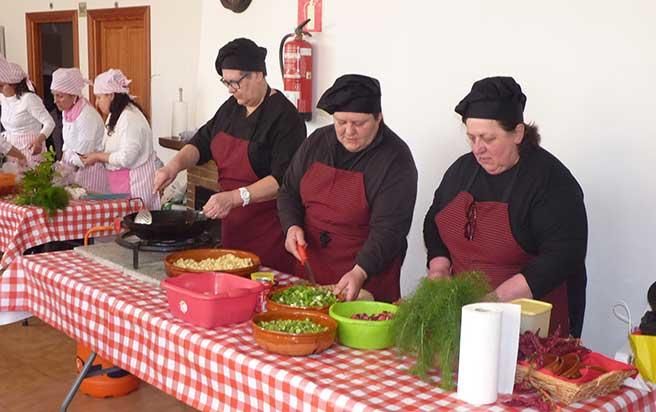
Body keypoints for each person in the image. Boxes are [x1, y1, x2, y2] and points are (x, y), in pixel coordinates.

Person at [423, 76, 588, 337]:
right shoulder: (461, 171)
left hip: (529, 326)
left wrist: (495, 300)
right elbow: (434, 221)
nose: (478, 149)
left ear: (518, 133)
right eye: (472, 138)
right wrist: (439, 267)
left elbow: (563, 256)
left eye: (488, 138)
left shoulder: (551, 182)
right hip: (465, 318)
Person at [153, 38, 306, 273]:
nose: (230, 89)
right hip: (233, 225)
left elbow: (283, 180)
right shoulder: (231, 107)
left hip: (269, 229)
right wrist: (172, 167)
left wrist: (235, 198)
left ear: (258, 74)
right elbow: (200, 142)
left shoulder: (286, 118)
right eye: (226, 83)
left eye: (235, 82)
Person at [278, 74, 418, 302]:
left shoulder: (396, 159)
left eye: (359, 123)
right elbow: (289, 191)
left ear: (378, 118)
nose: (349, 131)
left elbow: (390, 229)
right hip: (312, 267)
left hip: (366, 275)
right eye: (341, 122)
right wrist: (291, 226)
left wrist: (360, 271)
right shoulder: (317, 142)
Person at [81, 68, 160, 209]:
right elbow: (109, 146)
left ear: (111, 95)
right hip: (120, 187)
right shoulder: (114, 116)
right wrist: (92, 156)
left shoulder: (130, 117)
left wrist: (98, 156)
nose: (97, 103)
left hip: (135, 187)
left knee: (135, 226)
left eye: (99, 97)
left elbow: (126, 158)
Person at [51, 67, 107, 193]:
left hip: (92, 175)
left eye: (59, 96)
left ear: (73, 95)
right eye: (53, 95)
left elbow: (83, 157)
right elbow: (67, 144)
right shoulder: (68, 112)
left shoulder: (87, 116)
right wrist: (61, 166)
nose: (55, 101)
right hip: (74, 172)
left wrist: (64, 165)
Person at [0, 59, 54, 166]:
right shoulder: (3, 98)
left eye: (2, 86)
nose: (0, 89)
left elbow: (50, 123)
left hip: (31, 149)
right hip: (12, 151)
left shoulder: (29, 99)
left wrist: (39, 140)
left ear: (14, 84)